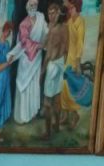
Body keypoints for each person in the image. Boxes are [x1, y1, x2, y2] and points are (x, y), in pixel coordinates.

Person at [9, 0, 49, 124]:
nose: (33, 7)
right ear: (27, 7)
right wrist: (38, 46)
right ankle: (23, 116)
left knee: (34, 84)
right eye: (31, 5)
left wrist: (46, 41)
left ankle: (32, 112)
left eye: (35, 5)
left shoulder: (41, 17)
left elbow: (46, 31)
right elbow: (24, 42)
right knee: (24, 85)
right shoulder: (23, 24)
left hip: (37, 59)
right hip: (26, 59)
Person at [41, 1, 68, 139]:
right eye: (49, 14)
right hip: (60, 63)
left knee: (47, 101)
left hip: (53, 65)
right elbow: (64, 49)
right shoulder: (63, 28)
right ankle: (56, 126)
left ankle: (48, 132)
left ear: (59, 13)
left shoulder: (56, 29)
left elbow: (48, 52)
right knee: (57, 98)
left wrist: (42, 71)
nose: (51, 16)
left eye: (54, 13)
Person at [58, 0, 86, 130]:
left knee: (72, 87)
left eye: (72, 8)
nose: (70, 10)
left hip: (75, 58)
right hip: (68, 57)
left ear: (77, 8)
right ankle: (65, 112)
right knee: (64, 86)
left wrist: (78, 63)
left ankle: (74, 114)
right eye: (69, 9)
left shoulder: (81, 21)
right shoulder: (69, 22)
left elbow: (80, 43)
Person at [0, 21, 16, 142]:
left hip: (6, 77)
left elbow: (7, 59)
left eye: (10, 32)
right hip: (0, 78)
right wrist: (8, 62)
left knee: (4, 101)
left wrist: (11, 58)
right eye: (8, 31)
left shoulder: (7, 44)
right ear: (4, 30)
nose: (8, 34)